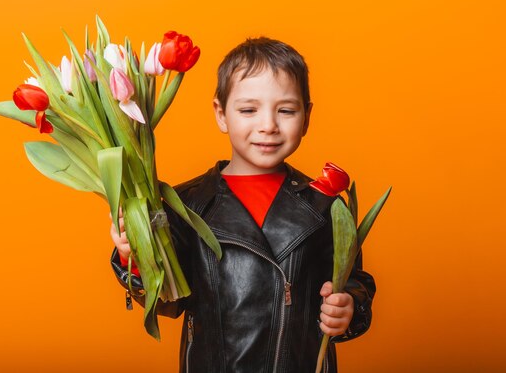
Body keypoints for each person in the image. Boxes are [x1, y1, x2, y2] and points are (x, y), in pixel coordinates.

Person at [110, 37, 376, 373]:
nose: (268, 125)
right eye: (249, 110)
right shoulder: (185, 205)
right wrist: (133, 253)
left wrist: (349, 304)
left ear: (307, 117)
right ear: (221, 114)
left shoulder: (325, 206)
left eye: (286, 110)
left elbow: (354, 279)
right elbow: (168, 301)